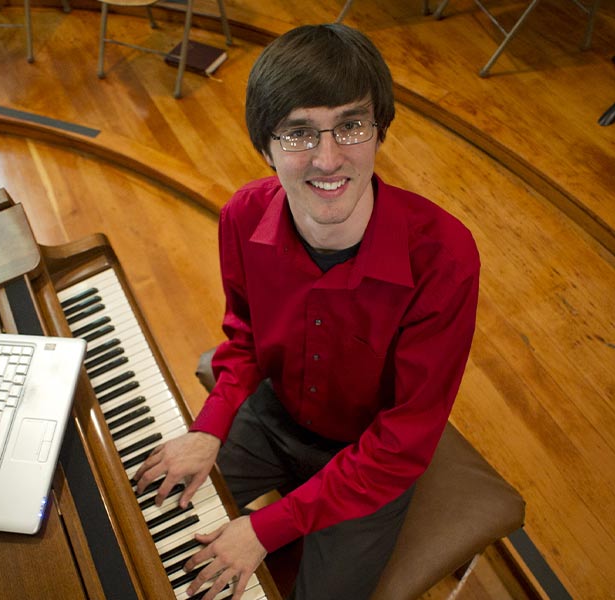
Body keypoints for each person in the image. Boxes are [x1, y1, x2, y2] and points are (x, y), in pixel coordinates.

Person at [134, 23, 480, 600]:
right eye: (299, 133)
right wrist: (209, 427)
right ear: (266, 148)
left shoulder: (444, 256)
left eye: (351, 125)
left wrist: (266, 530)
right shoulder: (242, 216)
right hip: (276, 415)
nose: (328, 159)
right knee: (153, 513)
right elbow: (244, 337)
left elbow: (403, 439)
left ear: (378, 132)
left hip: (372, 455)